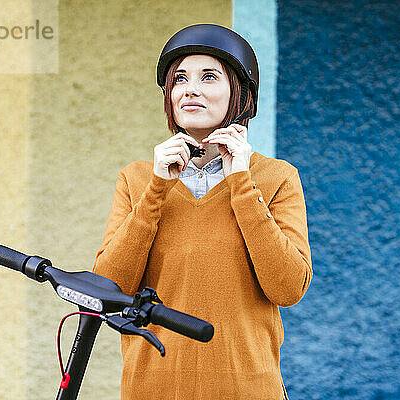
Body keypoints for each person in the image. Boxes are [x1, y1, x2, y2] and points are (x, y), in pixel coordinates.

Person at [93, 23, 312, 400]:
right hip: (152, 390)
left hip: (246, 390)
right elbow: (109, 290)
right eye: (180, 79)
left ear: (239, 94)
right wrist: (157, 188)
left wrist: (241, 181)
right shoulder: (137, 179)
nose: (190, 89)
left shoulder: (277, 177)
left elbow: (288, 287)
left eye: (208, 77)